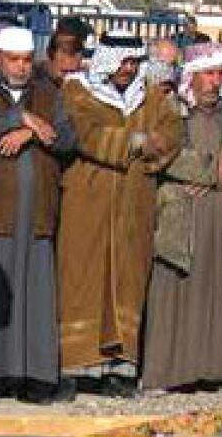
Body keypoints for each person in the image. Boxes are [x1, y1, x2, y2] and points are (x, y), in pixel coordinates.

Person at [58, 29, 182, 397]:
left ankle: (120, 366)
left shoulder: (153, 97)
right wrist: (134, 142)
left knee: (128, 277)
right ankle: (78, 364)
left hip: (134, 200)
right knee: (82, 277)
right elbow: (85, 134)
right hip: (88, 199)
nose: (128, 69)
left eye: (133, 62)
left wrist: (148, 148)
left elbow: (170, 135)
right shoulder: (77, 92)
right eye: (123, 62)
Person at [0, 26, 76, 404]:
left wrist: (28, 134)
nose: (21, 67)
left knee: (36, 293)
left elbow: (67, 136)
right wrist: (23, 119)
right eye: (14, 60)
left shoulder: (49, 93)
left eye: (27, 60)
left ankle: (34, 376)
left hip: (38, 212)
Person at [142, 43, 222, 392]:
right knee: (176, 291)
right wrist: (206, 171)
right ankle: (169, 373)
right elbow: (158, 152)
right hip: (181, 211)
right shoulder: (170, 109)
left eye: (220, 74)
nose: (215, 81)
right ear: (192, 76)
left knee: (219, 289)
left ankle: (215, 370)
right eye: (209, 74)